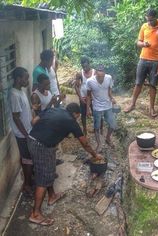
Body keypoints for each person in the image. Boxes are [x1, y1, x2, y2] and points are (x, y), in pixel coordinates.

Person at [27, 103, 102, 225]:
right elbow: (85, 143)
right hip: (41, 146)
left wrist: (49, 130)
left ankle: (51, 196)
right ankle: (35, 214)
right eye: (77, 117)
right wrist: (95, 155)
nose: (77, 119)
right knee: (42, 177)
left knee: (49, 170)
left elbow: (33, 122)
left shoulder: (53, 109)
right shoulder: (71, 121)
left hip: (34, 140)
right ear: (75, 114)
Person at [124, 9, 158, 117]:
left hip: (156, 61)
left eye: (151, 20)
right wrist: (143, 44)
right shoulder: (144, 26)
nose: (149, 22)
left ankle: (152, 108)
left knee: (153, 85)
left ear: (155, 17)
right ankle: (132, 104)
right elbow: (138, 42)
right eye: (147, 19)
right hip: (143, 59)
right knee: (138, 83)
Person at [9, 67, 33, 195]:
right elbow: (16, 117)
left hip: (27, 131)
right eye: (25, 78)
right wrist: (26, 135)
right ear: (18, 79)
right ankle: (27, 185)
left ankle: (28, 180)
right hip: (23, 134)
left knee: (27, 158)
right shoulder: (14, 94)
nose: (27, 81)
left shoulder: (20, 91)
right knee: (27, 159)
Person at [86, 66, 117, 153]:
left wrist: (112, 98)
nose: (101, 78)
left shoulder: (109, 78)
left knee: (113, 124)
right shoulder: (90, 81)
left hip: (108, 105)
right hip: (96, 107)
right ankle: (99, 144)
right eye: (99, 77)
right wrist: (88, 108)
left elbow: (109, 90)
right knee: (96, 127)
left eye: (102, 76)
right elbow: (88, 95)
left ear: (105, 74)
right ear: (95, 74)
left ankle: (107, 138)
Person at [74, 57, 96, 135]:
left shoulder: (94, 72)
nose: (85, 68)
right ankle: (85, 129)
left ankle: (96, 128)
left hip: (93, 98)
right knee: (83, 114)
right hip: (83, 97)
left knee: (95, 113)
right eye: (83, 67)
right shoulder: (80, 74)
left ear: (89, 64)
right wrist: (80, 97)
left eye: (86, 66)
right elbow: (76, 86)